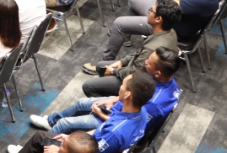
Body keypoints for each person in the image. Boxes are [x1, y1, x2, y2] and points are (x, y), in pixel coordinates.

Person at [4, 72, 154, 153]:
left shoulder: (115, 132)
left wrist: (61, 151)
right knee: (40, 137)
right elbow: (100, 131)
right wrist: (71, 139)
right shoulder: (140, 112)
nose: (119, 87)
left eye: (122, 85)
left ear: (128, 95)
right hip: (84, 150)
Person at [31, 47, 181, 137]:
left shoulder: (154, 103)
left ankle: (40, 145)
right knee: (81, 103)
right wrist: (114, 99)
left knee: (65, 124)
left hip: (114, 120)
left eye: (149, 62)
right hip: (121, 108)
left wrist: (100, 114)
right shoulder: (165, 79)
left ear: (158, 73)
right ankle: (51, 123)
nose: (145, 61)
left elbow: (130, 127)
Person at [94, 0, 223, 63]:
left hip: (169, 27)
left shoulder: (207, 0)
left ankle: (105, 63)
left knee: (119, 23)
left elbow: (171, 5)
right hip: (168, 14)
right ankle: (126, 36)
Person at [81, 0, 179, 97]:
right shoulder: (170, 32)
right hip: (139, 71)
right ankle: (109, 91)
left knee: (88, 86)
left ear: (158, 19)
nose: (148, 12)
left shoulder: (152, 48)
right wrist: (122, 61)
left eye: (151, 10)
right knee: (101, 66)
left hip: (138, 83)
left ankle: (113, 107)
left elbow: (135, 74)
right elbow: (139, 54)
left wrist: (114, 71)